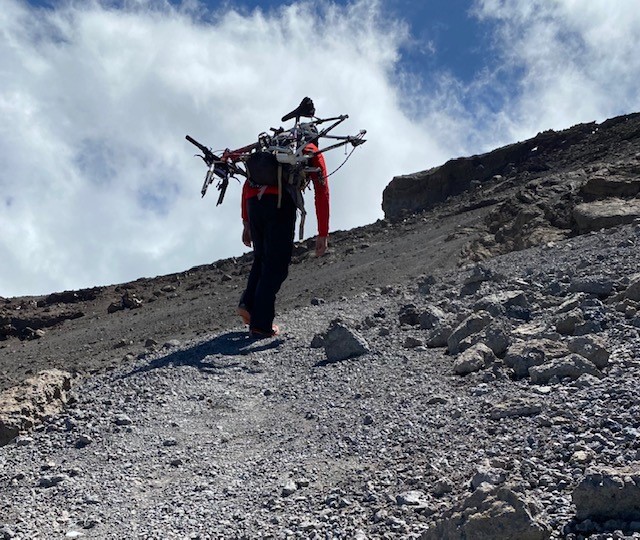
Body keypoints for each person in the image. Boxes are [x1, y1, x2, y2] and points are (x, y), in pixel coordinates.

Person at [238, 143, 329, 338]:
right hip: (280, 202)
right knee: (277, 264)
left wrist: (246, 222)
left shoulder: (273, 148)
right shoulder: (311, 150)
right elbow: (322, 190)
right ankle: (261, 325)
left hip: (254, 202)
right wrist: (323, 232)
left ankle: (248, 305)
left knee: (261, 258)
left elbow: (248, 182)